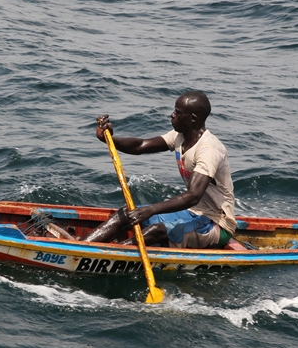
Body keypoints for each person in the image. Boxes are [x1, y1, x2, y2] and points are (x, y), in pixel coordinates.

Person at [84, 91, 236, 249]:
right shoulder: (180, 136)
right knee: (127, 213)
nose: (172, 115)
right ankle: (82, 246)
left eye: (177, 112)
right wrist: (108, 140)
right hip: (191, 212)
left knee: (155, 231)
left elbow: (192, 196)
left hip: (216, 223)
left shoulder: (209, 150)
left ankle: (109, 255)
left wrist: (150, 210)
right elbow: (140, 146)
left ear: (192, 118)